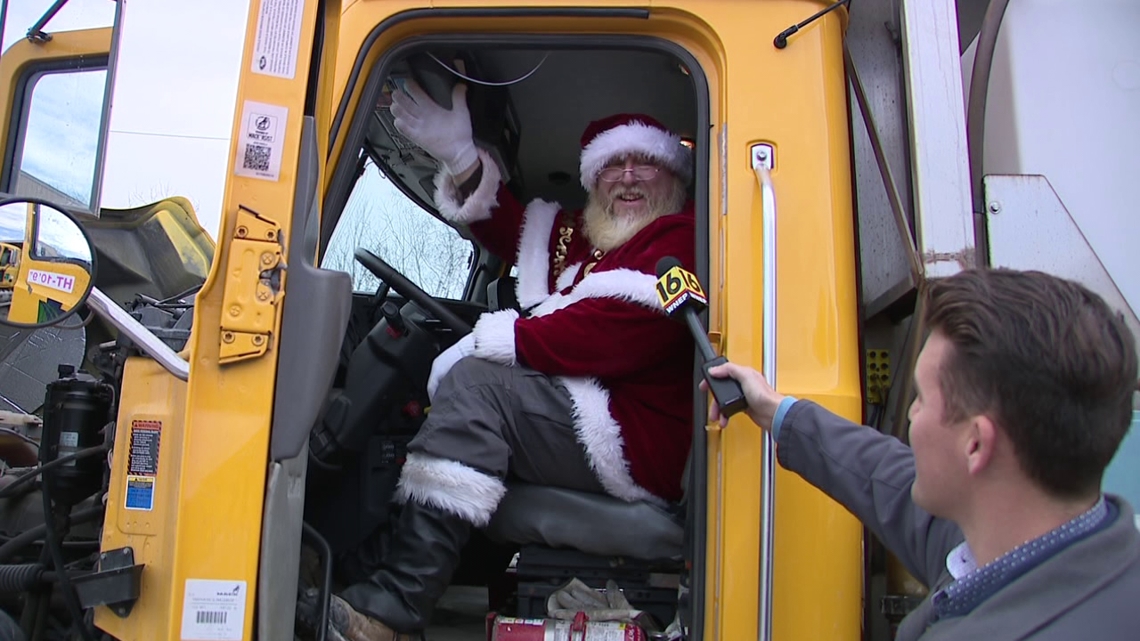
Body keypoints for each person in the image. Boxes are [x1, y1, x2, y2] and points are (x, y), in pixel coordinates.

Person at [306, 81, 698, 640]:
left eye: (646, 164)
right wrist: (462, 158)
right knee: (468, 398)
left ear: (672, 176)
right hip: (592, 411)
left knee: (479, 390)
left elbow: (616, 331)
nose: (629, 177)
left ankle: (392, 609)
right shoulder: (591, 237)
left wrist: (496, 339)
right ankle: (386, 579)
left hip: (631, 434)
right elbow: (514, 230)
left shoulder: (679, 238)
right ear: (594, 179)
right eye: (614, 166)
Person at [704, 268, 1140, 640]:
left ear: (975, 444)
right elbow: (884, 477)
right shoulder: (1039, 545)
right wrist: (778, 411)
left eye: (921, 400)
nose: (911, 415)